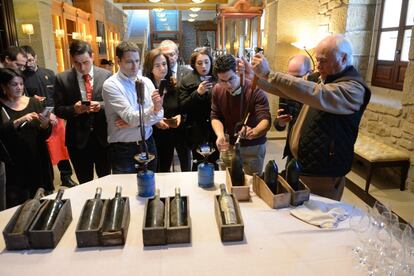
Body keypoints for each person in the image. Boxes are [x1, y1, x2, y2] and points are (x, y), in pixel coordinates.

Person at [251, 34, 371, 200]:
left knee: (318, 218)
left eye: (323, 61)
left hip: (323, 171)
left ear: (343, 58)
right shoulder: (320, 78)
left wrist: (269, 74)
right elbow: (287, 89)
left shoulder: (353, 88)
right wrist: (254, 78)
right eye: (317, 60)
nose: (318, 66)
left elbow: (318, 94)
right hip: (301, 162)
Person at [54, 40, 111, 184]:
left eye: (86, 62)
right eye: (77, 63)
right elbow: (58, 109)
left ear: (92, 56)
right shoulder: (62, 78)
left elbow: (114, 103)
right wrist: (74, 109)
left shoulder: (106, 75)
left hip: (103, 137)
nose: (82, 67)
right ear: (72, 60)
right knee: (84, 181)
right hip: (77, 139)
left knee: (106, 178)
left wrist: (101, 106)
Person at [102, 42, 163, 174]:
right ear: (118, 61)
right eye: (129, 62)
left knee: (150, 185)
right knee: (126, 190)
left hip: (148, 143)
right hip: (124, 149)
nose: (135, 66)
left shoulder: (146, 81)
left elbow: (160, 115)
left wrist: (135, 124)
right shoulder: (111, 85)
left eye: (137, 61)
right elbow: (132, 117)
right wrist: (152, 112)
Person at [21, 45, 78, 188]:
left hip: (55, 115)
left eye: (30, 60)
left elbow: (58, 95)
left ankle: (66, 176)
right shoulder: (23, 78)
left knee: (61, 147)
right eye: (25, 61)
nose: (29, 64)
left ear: (36, 58)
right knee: (45, 149)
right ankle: (48, 182)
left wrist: (55, 112)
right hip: (38, 117)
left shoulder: (49, 73)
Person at [0, 68, 53, 208]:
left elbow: (45, 134)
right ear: (4, 86)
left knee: (42, 200)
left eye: (21, 84)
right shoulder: (2, 106)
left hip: (37, 157)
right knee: (18, 203)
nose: (19, 88)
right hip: (14, 163)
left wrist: (45, 124)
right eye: (14, 84)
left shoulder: (34, 103)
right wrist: (18, 121)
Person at [211, 54, 271, 175]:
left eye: (231, 79)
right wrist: (220, 134)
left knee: (252, 185)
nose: (227, 85)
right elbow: (215, 116)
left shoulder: (255, 90)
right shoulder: (217, 89)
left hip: (253, 147)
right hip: (229, 145)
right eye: (222, 80)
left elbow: (265, 120)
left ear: (238, 73)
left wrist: (253, 132)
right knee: (227, 179)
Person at [143, 48, 191, 172]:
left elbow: (183, 107)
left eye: (164, 64)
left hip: (176, 131)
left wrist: (181, 115)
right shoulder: (145, 87)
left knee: (185, 166)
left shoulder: (173, 84)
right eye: (157, 65)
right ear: (150, 68)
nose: (162, 68)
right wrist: (156, 121)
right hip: (156, 135)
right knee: (161, 169)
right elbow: (142, 112)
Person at [178, 48, 218, 170]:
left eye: (206, 62)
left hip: (216, 126)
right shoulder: (186, 80)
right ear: (194, 65)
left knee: (215, 160)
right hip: (196, 128)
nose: (203, 66)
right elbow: (182, 106)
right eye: (199, 63)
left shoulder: (218, 77)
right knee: (199, 162)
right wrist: (197, 93)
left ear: (211, 62)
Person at [273, 54, 313, 165]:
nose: (291, 82)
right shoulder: (287, 89)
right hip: (292, 148)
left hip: (310, 150)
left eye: (297, 78)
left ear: (310, 73)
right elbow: (278, 126)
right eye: (289, 77)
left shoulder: (316, 94)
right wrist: (280, 122)